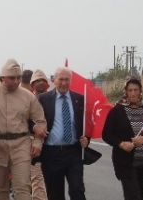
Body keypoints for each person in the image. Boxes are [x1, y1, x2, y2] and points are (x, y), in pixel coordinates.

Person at [0, 59, 47, 200]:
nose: (16, 81)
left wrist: (37, 144)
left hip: (21, 146)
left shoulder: (28, 97)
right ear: (2, 78)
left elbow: (40, 121)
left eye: (18, 78)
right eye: (12, 78)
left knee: (23, 189)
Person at [102, 76, 143, 200]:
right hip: (125, 163)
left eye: (136, 90)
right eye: (130, 90)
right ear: (126, 92)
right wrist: (121, 143)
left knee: (140, 194)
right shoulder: (117, 111)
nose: (133, 93)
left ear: (140, 91)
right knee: (133, 196)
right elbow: (106, 134)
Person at [38, 67, 89, 200]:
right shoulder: (43, 99)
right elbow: (31, 120)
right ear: (54, 80)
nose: (64, 83)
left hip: (73, 153)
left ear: (71, 81)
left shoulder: (80, 99)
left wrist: (86, 138)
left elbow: (86, 123)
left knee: (77, 189)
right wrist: (36, 128)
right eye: (61, 79)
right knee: (55, 194)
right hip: (52, 154)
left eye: (67, 80)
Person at [28, 69, 49, 200]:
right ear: (32, 84)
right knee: (36, 178)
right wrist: (35, 128)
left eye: (43, 81)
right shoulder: (28, 100)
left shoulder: (51, 100)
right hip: (31, 144)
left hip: (49, 145)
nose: (41, 83)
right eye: (37, 81)